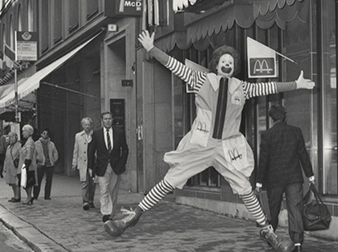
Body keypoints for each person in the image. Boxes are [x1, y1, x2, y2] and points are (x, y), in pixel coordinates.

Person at [104, 30, 315, 252]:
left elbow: (268, 87)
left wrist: (296, 84)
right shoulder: (200, 79)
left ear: (234, 67)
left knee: (245, 188)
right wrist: (151, 49)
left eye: (231, 62)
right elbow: (175, 66)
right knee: (170, 180)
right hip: (201, 145)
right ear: (216, 64)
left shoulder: (242, 87)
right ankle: (132, 217)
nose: (227, 64)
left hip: (228, 148)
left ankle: (268, 233)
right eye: (223, 61)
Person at [256, 105, 315, 252]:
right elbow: (303, 155)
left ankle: (272, 238)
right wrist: (310, 175)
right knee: (295, 209)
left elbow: (263, 160)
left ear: (272, 118)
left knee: (273, 209)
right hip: (293, 178)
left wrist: (258, 182)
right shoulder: (295, 132)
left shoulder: (267, 135)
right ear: (285, 117)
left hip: (274, 179)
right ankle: (297, 244)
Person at [88, 111, 128, 223]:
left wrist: (122, 163)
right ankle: (106, 213)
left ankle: (112, 213)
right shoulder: (97, 133)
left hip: (115, 166)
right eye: (105, 119)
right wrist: (90, 167)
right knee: (104, 189)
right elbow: (91, 151)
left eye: (109, 118)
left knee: (112, 190)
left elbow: (125, 149)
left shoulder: (119, 133)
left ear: (112, 120)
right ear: (102, 120)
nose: (107, 121)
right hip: (102, 166)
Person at [72, 117, 96, 210]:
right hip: (82, 162)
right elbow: (76, 149)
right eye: (85, 125)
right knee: (84, 182)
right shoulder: (78, 136)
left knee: (92, 183)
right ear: (82, 125)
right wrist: (74, 162)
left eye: (89, 124)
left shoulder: (95, 135)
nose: (87, 126)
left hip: (92, 162)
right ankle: (85, 201)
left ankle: (91, 200)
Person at [34, 127, 59, 200]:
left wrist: (53, 160)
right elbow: (34, 153)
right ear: (41, 134)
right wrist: (37, 159)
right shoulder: (36, 143)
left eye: (47, 134)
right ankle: (35, 195)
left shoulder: (51, 144)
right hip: (40, 164)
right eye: (44, 133)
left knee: (49, 180)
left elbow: (55, 153)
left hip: (49, 164)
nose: (45, 135)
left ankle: (47, 195)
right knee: (38, 180)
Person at [21, 124, 38, 205]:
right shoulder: (28, 141)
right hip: (27, 164)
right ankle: (29, 196)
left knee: (28, 181)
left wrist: (26, 164)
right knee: (26, 182)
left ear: (29, 132)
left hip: (29, 165)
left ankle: (29, 197)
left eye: (24, 131)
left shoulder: (29, 142)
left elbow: (29, 153)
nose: (22, 133)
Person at [4, 132, 23, 202]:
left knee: (16, 182)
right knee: (12, 182)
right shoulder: (8, 147)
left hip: (16, 167)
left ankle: (17, 197)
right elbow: (6, 158)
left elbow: (21, 156)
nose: (10, 139)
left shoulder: (19, 146)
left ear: (16, 138)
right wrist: (5, 167)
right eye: (9, 137)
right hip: (9, 167)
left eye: (12, 137)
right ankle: (15, 195)